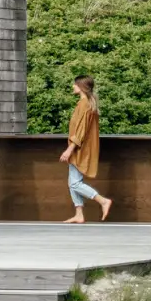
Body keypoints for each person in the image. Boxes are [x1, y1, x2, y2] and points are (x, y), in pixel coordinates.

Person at [60, 72, 114, 223]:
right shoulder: (87, 103)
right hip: (79, 147)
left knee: (75, 183)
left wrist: (69, 149)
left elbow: (81, 131)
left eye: (75, 84)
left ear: (81, 87)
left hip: (79, 149)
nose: (73, 86)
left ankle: (103, 201)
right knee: (72, 181)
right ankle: (79, 214)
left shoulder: (85, 104)